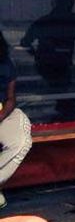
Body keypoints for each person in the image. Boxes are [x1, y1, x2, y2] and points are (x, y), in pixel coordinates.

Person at [19, 0, 75, 119]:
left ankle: (64, 113)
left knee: (60, 90)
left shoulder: (44, 21)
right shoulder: (73, 20)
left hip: (47, 63)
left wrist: (37, 54)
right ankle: (65, 115)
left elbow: (25, 42)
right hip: (57, 63)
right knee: (62, 90)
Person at [0, 31, 33, 210]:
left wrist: (1, 116)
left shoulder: (6, 63)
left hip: (4, 113)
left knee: (21, 142)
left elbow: (11, 98)